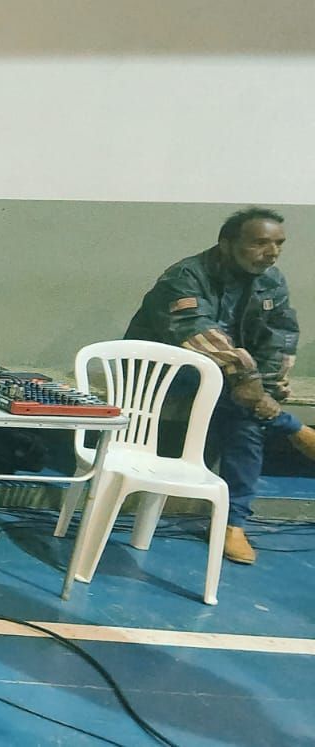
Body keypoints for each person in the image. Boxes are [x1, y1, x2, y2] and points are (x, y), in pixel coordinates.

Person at [125, 207, 315, 565]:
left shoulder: (271, 281)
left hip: (233, 385)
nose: (272, 252)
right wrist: (252, 386)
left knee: (245, 418)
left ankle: (233, 522)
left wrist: (268, 386)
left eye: (279, 244)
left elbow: (279, 336)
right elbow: (196, 334)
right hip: (164, 375)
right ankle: (290, 428)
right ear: (226, 244)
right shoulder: (184, 277)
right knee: (237, 398)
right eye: (260, 243)